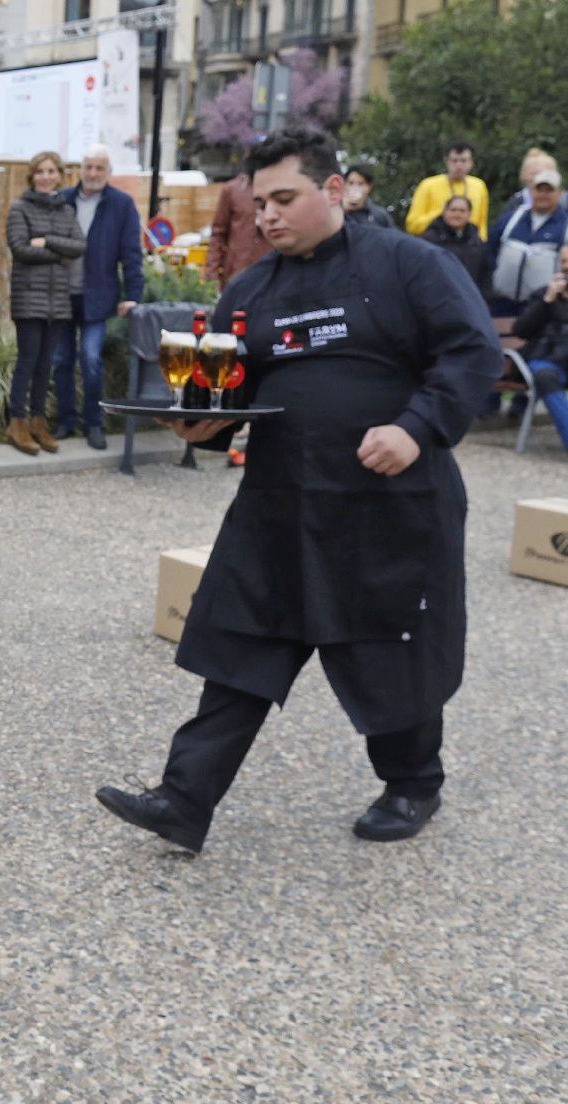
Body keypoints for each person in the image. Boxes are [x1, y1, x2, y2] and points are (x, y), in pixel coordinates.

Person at [96, 128, 502, 854]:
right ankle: (184, 800)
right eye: (260, 205)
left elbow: (473, 351)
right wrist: (200, 430)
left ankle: (413, 781)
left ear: (336, 190)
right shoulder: (251, 290)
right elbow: (228, 396)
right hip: (280, 503)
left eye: (284, 198)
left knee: (390, 646)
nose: (268, 217)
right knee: (241, 647)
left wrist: (417, 425)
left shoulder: (411, 264)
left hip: (391, 503)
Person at [51, 145, 142, 449]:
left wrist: (134, 295)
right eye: (88, 167)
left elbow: (131, 255)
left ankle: (94, 423)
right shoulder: (62, 200)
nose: (92, 174)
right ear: (80, 169)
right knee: (61, 359)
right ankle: (65, 420)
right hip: (62, 295)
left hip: (98, 297)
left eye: (99, 168)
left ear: (108, 172)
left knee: (90, 358)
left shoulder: (122, 205)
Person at [5, 150, 86, 458]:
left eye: (52, 171)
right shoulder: (19, 208)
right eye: (41, 171)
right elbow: (21, 249)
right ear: (32, 176)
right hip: (29, 297)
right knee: (27, 362)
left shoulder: (66, 210)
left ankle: (38, 421)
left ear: (59, 176)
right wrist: (59, 253)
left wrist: (47, 240)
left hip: (57, 299)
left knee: (44, 365)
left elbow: (79, 246)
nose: (46, 176)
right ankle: (17, 422)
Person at [508, 243, 568, 452]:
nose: (566, 266)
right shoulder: (543, 294)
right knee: (544, 376)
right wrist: (547, 300)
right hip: (546, 359)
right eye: (563, 261)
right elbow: (521, 330)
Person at [485, 165, 567, 316]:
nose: (543, 195)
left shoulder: (565, 226)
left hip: (542, 307)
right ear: (530, 191)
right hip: (500, 302)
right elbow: (489, 252)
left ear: (559, 194)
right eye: (538, 189)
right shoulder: (510, 219)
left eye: (548, 190)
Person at [404, 139, 489, 238]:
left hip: (468, 247)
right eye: (454, 160)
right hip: (435, 244)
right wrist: (443, 212)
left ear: (472, 162)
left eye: (463, 160)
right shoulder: (428, 185)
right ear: (447, 161)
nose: (459, 165)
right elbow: (412, 226)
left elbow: (482, 226)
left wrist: (481, 246)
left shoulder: (479, 186)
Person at [205, 172, 270, 286]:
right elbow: (218, 234)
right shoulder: (232, 190)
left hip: (270, 277)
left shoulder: (277, 190)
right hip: (237, 276)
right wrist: (212, 276)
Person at [420, 194, 487, 290]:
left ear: (469, 214)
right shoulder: (428, 240)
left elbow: (485, 274)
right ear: (444, 212)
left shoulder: (477, 242)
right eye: (453, 210)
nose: (457, 214)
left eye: (462, 210)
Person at [500, 149, 557, 217]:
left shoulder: (563, 202)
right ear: (524, 175)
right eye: (533, 173)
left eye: (541, 173)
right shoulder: (516, 202)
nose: (537, 178)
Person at [342, 163, 396, 229]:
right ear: (344, 184)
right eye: (351, 183)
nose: (355, 187)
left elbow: (393, 236)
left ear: (369, 187)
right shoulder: (336, 212)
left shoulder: (379, 215)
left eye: (360, 184)